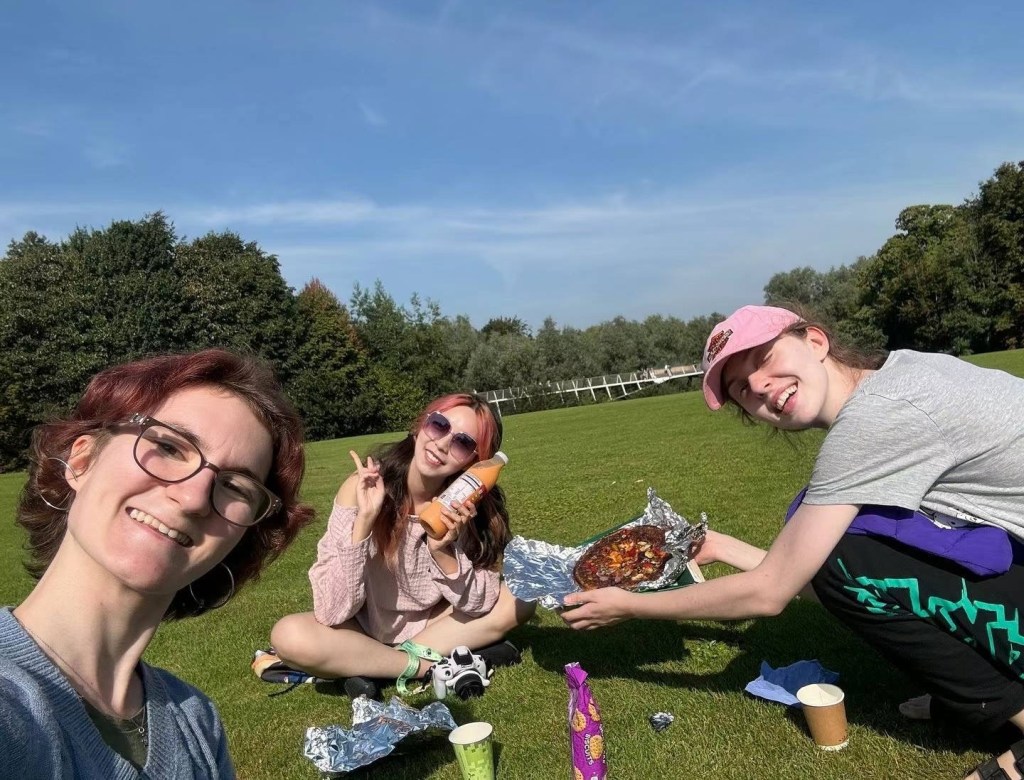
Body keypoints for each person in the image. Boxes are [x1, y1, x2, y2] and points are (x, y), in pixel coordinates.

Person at [562, 304, 1024, 780]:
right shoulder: (898, 375)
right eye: (741, 388)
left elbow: (773, 590)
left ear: (816, 342)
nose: (758, 386)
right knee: (843, 548)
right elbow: (819, 576)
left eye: (762, 357)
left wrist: (628, 607)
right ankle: (976, 692)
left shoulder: (876, 421)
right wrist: (722, 547)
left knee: (843, 552)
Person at [0, 349, 313, 778]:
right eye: (168, 446)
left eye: (236, 487)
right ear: (81, 461)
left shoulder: (196, 722)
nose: (193, 497)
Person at [268, 393, 535, 698]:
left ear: (476, 463)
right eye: (439, 425)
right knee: (288, 636)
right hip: (362, 629)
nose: (443, 443)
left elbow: (478, 604)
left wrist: (442, 551)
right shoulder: (363, 488)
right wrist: (365, 522)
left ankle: (375, 667)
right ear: (421, 425)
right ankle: (426, 667)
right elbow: (331, 612)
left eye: (462, 443)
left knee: (521, 597)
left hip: (434, 628)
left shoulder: (467, 510)